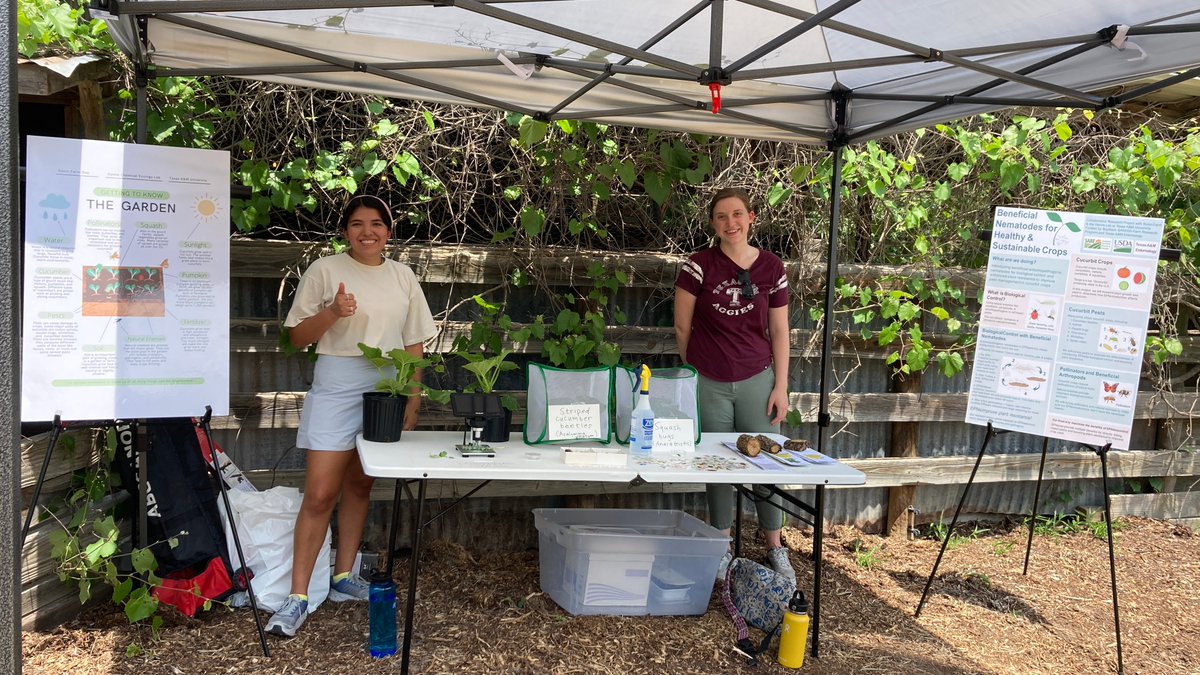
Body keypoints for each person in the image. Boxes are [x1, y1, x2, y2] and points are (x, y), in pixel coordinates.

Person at [265, 194, 438, 637]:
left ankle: (344, 577)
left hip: (387, 384)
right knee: (320, 493)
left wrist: (413, 397)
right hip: (337, 384)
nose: (367, 232)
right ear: (345, 231)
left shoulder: (403, 276)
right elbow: (295, 338)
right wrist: (332, 312)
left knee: (361, 484)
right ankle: (297, 596)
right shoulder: (324, 270)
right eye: (357, 224)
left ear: (389, 232)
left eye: (376, 223)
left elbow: (415, 341)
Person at [674, 187, 795, 583]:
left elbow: (780, 330)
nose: (731, 223)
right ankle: (722, 545)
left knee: (766, 462)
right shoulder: (698, 265)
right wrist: (695, 369)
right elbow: (682, 326)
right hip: (709, 381)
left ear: (751, 217)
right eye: (722, 216)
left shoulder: (772, 267)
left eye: (738, 214)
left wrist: (781, 385)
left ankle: (775, 545)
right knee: (717, 464)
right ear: (713, 223)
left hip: (757, 379)